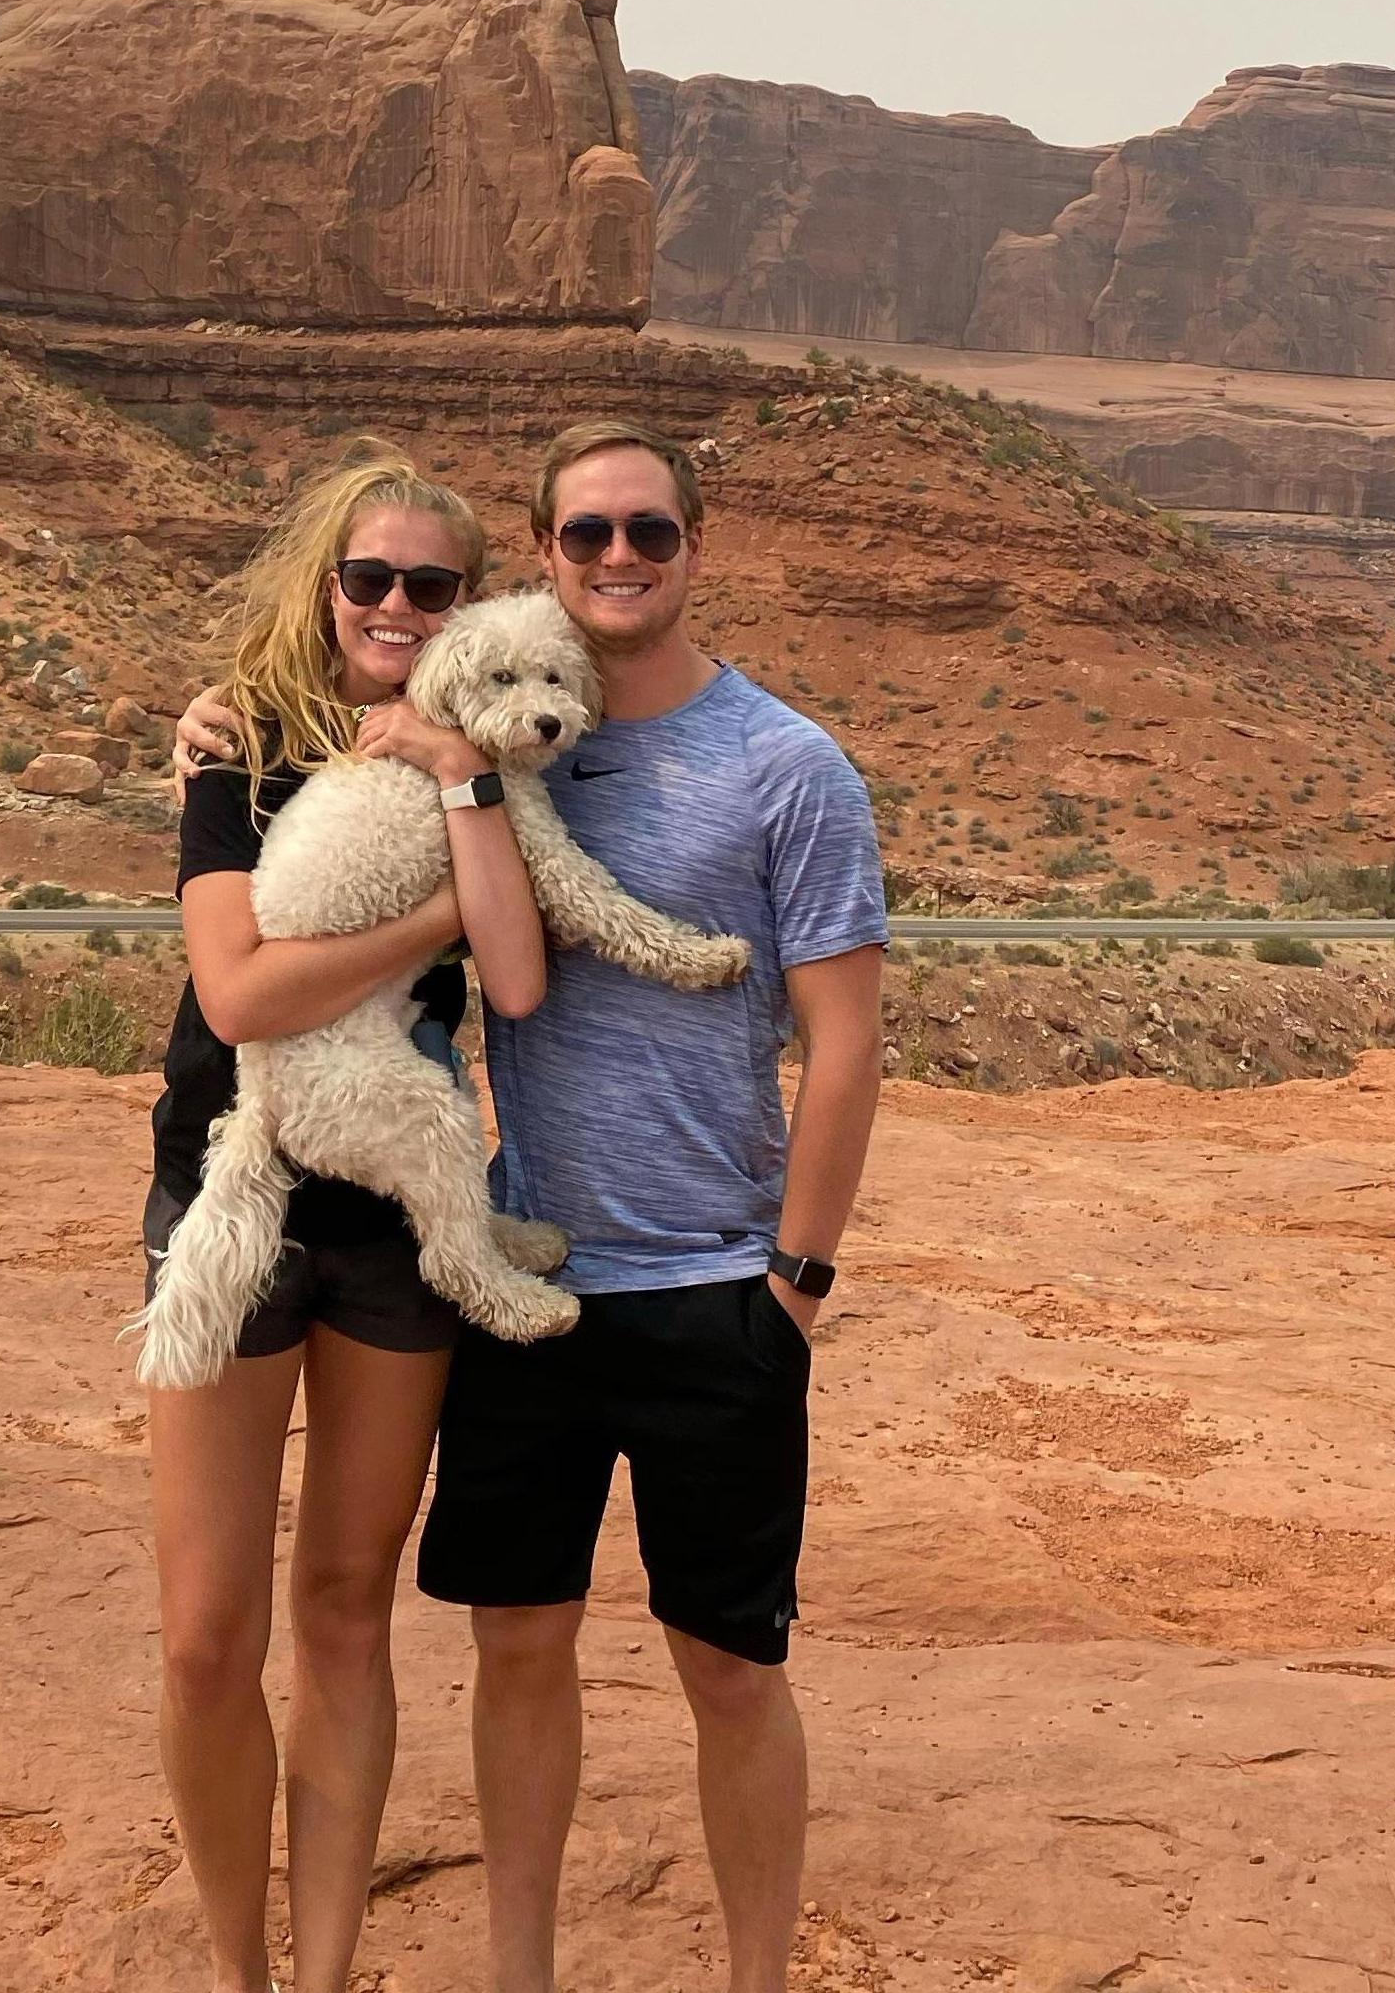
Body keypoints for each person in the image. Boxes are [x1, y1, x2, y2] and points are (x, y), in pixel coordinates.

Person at [178, 417, 887, 1993]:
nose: (620, 558)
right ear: (549, 571)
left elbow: (847, 1043)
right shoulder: (447, 748)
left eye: (649, 533)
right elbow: (432, 936)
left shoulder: (790, 766)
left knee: (730, 1662)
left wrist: (799, 1280)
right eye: (587, 537)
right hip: (531, 1257)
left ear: (697, 550)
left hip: (715, 1281)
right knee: (516, 1646)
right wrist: (253, 731)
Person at [146, 445, 550, 1993]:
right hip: (226, 1189)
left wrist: (468, 793)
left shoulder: (482, 756)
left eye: (429, 585)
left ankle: (321, 1980)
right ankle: (237, 1972)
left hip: (391, 1223)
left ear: (464, 608)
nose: (394, 605)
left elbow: (518, 985)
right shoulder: (237, 740)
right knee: (203, 1633)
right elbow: (237, 989)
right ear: (327, 584)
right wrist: (448, 897)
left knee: (347, 1607)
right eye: (368, 578)